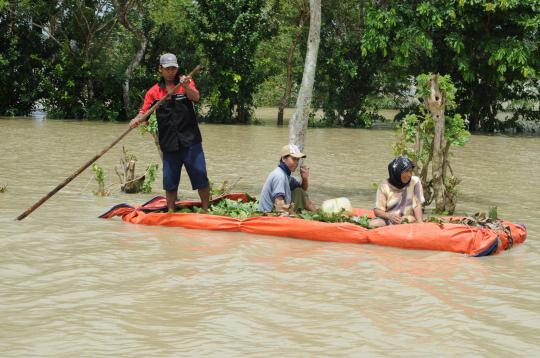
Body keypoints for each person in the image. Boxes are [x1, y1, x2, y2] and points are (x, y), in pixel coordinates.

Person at [129, 53, 210, 212]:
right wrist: (136, 120)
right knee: (170, 183)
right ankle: (171, 212)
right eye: (168, 69)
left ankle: (206, 210)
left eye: (174, 68)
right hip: (169, 144)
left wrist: (186, 86)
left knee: (200, 177)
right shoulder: (154, 92)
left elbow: (196, 97)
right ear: (161, 69)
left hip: (190, 141)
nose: (171, 71)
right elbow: (144, 113)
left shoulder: (186, 82)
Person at [258, 144, 316, 213]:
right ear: (283, 158)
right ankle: (318, 218)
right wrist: (293, 215)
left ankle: (317, 214)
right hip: (268, 215)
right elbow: (279, 204)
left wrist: (305, 178)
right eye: (294, 159)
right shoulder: (279, 176)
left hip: (276, 211)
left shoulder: (286, 175)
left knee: (299, 191)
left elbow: (302, 190)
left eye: (298, 160)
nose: (296, 163)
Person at [369, 156, 425, 228]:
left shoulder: (415, 182)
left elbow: (417, 205)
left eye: (411, 171)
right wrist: (389, 216)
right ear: (397, 172)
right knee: (373, 224)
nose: (409, 175)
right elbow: (377, 210)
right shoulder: (384, 185)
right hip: (389, 219)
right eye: (406, 171)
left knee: (411, 219)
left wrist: (420, 223)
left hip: (406, 218)